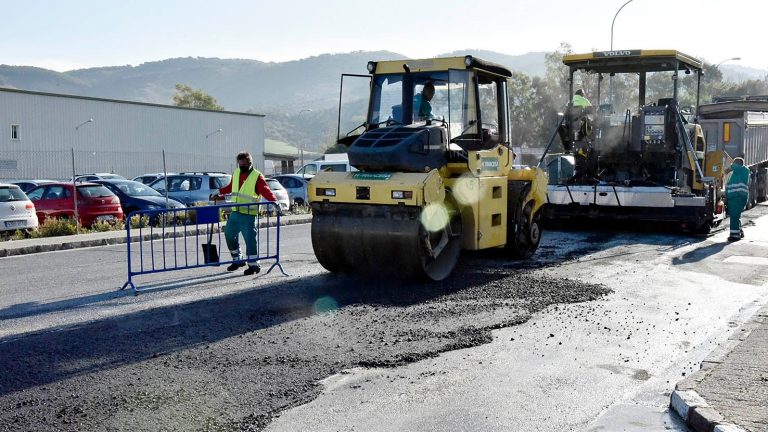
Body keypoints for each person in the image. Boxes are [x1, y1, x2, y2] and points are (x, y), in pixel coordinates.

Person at [210, 151, 278, 275]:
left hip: (249, 214)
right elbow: (231, 187)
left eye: (243, 164)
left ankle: (254, 265)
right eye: (239, 164)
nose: (241, 166)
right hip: (235, 211)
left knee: (250, 240)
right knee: (229, 235)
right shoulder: (236, 173)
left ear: (249, 163)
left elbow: (266, 190)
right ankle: (238, 260)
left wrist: (274, 201)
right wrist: (218, 192)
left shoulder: (257, 176)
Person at [724, 157, 750, 241]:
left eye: (734, 164)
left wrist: (729, 168)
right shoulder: (733, 174)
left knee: (734, 216)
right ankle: (739, 232)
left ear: (739, 164)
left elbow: (735, 167)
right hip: (734, 197)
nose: (733, 165)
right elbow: (728, 186)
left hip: (738, 197)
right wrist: (726, 196)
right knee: (735, 215)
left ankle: (735, 236)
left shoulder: (744, 170)